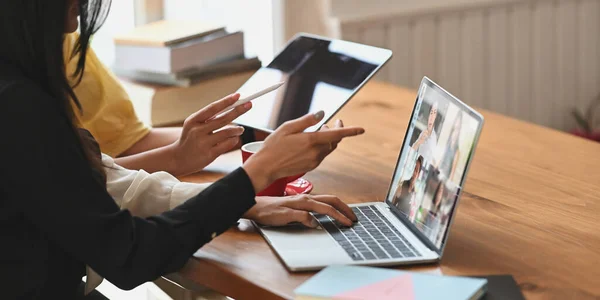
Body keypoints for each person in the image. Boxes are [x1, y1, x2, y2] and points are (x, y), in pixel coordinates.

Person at [0, 0, 366, 298]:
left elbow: (90, 183)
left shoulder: (19, 96)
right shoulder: (19, 106)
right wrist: (255, 176)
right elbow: (129, 255)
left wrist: (237, 196)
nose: (76, 19)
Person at [63, 32, 246, 176]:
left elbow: (128, 141)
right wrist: (175, 158)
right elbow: (76, 177)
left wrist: (248, 134)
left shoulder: (67, 38)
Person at [439, 112, 462, 183]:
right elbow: (441, 158)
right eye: (454, 129)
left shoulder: (457, 151)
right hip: (437, 174)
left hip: (443, 180)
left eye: (457, 129)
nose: (455, 132)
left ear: (459, 131)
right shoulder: (448, 142)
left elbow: (452, 174)